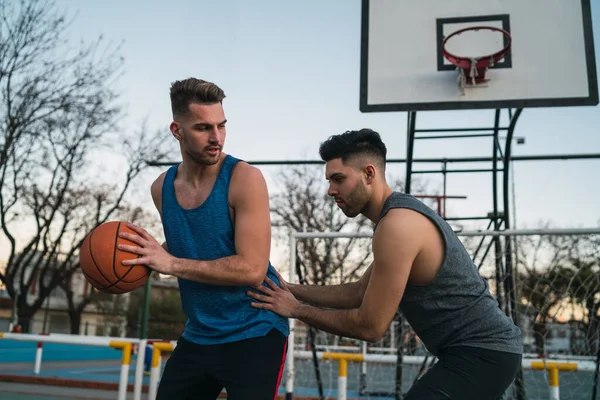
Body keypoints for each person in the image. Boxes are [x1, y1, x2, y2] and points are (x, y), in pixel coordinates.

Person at [247, 129, 523, 399]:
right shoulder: (396, 218)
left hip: (483, 353)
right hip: (483, 353)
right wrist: (290, 289)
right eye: (329, 181)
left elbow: (370, 327)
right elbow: (356, 293)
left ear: (369, 173)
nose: (330, 190)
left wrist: (296, 309)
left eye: (338, 179)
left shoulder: (397, 226)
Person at [118, 77, 289, 399]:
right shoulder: (162, 188)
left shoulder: (245, 179)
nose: (217, 138)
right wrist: (138, 258)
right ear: (177, 130)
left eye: (221, 126)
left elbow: (251, 268)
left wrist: (170, 263)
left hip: (256, 328)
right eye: (203, 128)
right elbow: (190, 243)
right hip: (200, 334)